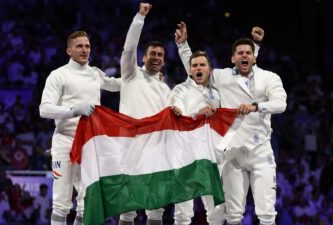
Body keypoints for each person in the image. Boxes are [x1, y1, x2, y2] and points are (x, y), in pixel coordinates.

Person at [175, 23, 287, 225]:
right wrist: (183, 46)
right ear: (232, 58)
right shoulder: (221, 76)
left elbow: (281, 104)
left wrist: (255, 106)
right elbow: (197, 69)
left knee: (267, 214)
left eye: (248, 53)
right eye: (240, 53)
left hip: (261, 149)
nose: (244, 56)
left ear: (255, 56)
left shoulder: (270, 78)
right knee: (234, 214)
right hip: (232, 150)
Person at [39, 31, 120, 225]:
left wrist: (144, 77)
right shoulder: (58, 75)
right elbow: (44, 109)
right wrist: (74, 110)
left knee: (87, 202)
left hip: (89, 142)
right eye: (79, 46)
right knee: (61, 203)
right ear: (69, 50)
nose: (85, 50)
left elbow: (116, 84)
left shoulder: (95, 73)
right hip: (65, 141)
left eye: (87, 46)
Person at [118, 3, 171, 225]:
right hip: (129, 147)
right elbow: (129, 48)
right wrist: (140, 17)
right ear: (143, 58)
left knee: (156, 209)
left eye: (160, 54)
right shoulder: (131, 75)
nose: (156, 57)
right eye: (152, 54)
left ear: (164, 60)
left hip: (156, 150)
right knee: (127, 208)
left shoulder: (167, 89)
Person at [169, 50, 222, 225]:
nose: (198, 68)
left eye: (202, 65)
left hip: (211, 156)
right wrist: (196, 114)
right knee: (183, 214)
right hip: (186, 156)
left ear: (209, 69)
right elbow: (175, 114)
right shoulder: (180, 90)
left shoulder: (217, 93)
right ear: (190, 70)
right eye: (194, 65)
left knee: (217, 212)